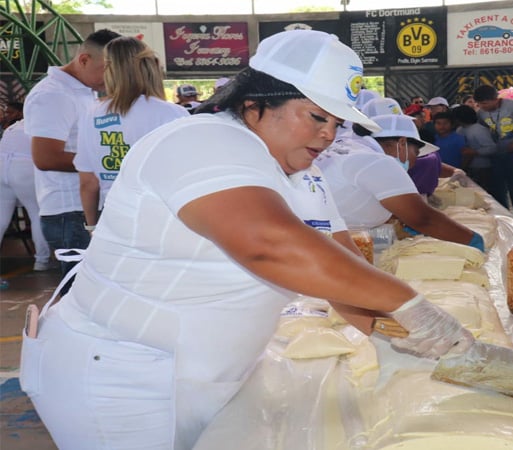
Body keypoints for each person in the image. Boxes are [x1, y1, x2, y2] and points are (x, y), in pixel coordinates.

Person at [19, 30, 474, 450]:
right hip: (120, 377)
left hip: (201, 375)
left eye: (337, 123)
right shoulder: (202, 141)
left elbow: (340, 265)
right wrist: (410, 305)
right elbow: (268, 244)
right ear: (255, 103)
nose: (328, 134)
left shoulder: (303, 175)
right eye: (316, 116)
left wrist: (398, 342)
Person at [23, 28, 120, 281]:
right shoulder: (54, 95)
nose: (112, 78)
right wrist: (107, 163)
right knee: (82, 296)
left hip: (82, 208)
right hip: (70, 212)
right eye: (108, 70)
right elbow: (46, 157)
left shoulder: (83, 91)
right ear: (84, 60)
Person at [316, 113, 484, 251]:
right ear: (402, 143)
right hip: (327, 245)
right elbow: (424, 219)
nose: (413, 162)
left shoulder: (346, 147)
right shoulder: (377, 161)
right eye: (415, 153)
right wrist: (473, 241)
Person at [74, 36, 189, 231]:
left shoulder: (92, 113)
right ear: (149, 68)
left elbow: (88, 182)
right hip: (161, 217)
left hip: (112, 216)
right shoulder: (171, 113)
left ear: (109, 69)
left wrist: (92, 227)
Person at [0, 117, 52, 271]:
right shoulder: (43, 123)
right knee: (37, 213)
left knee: (1, 219)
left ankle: (42, 260)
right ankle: (42, 261)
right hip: (24, 169)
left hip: (2, 166)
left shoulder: (14, 126)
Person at [474, 84, 513, 214]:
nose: (482, 107)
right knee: (497, 189)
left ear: (496, 99)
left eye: (485, 103)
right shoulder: (481, 113)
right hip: (496, 155)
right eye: (479, 104)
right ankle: (505, 217)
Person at [452, 104, 497, 191]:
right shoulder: (460, 130)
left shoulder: (479, 130)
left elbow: (492, 148)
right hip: (466, 166)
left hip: (481, 168)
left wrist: (475, 152)